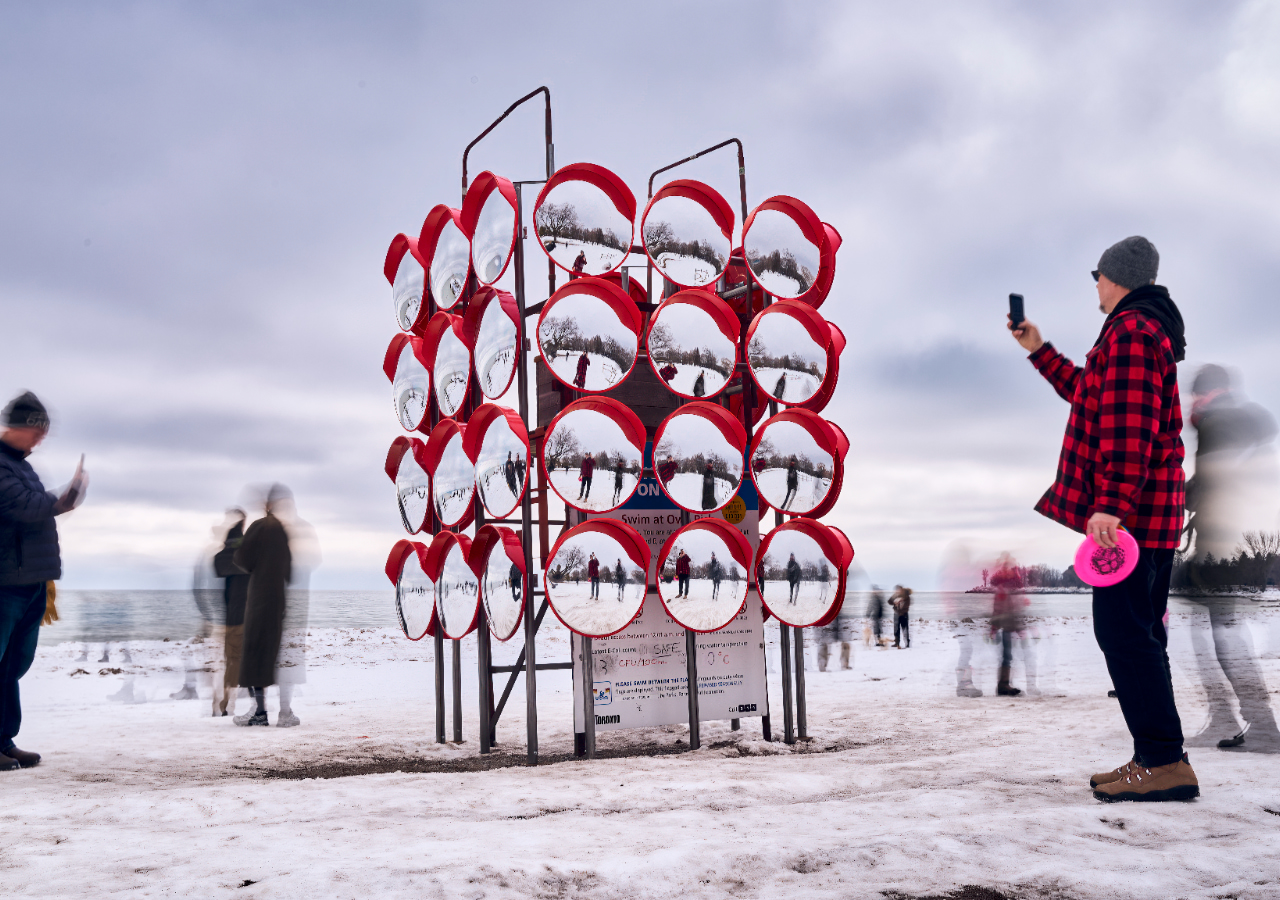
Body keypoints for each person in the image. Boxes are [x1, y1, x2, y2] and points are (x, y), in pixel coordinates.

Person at [1011, 235, 1197, 801]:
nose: (1095, 285)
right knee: (1139, 634)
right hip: (1147, 515)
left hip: (1132, 518)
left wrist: (1111, 503)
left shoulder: (1133, 331)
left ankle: (1163, 761)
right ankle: (1159, 756)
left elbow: (1131, 426)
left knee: (1123, 633)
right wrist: (1038, 348)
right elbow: (1090, 395)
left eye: (1097, 275)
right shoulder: (1134, 331)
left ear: (1116, 277)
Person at [1181, 364, 1279, 752]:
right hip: (1245, 544)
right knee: (1217, 629)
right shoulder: (1243, 423)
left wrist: (1185, 496)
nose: (1191, 402)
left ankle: (1257, 722)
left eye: (1195, 394)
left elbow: (1214, 479)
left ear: (1207, 393)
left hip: (1223, 544)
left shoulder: (1217, 421)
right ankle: (1239, 716)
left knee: (1217, 632)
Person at [0, 392, 87, 770]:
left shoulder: (23, 467)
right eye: (37, 431)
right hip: (5, 582)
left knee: (13, 667)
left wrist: (65, 499)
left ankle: (4, 740)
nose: (41, 438)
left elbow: (35, 508)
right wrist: (64, 498)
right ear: (16, 426)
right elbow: (22, 506)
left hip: (31, 582)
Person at [233, 485, 294, 727]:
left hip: (260, 598)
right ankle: (278, 711)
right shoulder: (282, 532)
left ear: (267, 505)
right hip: (278, 599)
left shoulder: (260, 526)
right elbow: (289, 571)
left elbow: (243, 560)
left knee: (254, 655)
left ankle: (259, 712)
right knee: (269, 655)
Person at [212, 509, 249, 716]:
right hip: (243, 615)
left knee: (233, 660)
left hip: (233, 616)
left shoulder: (226, 554)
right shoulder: (246, 553)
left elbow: (219, 565)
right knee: (239, 660)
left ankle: (228, 703)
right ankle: (232, 703)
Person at [988, 556, 1024, 696]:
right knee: (1007, 655)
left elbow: (1015, 608)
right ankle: (1003, 685)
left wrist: (1019, 627)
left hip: (1010, 625)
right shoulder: (1002, 588)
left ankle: (1005, 684)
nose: (1011, 571)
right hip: (1005, 627)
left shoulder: (1012, 586)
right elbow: (998, 608)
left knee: (1008, 655)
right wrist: (994, 627)